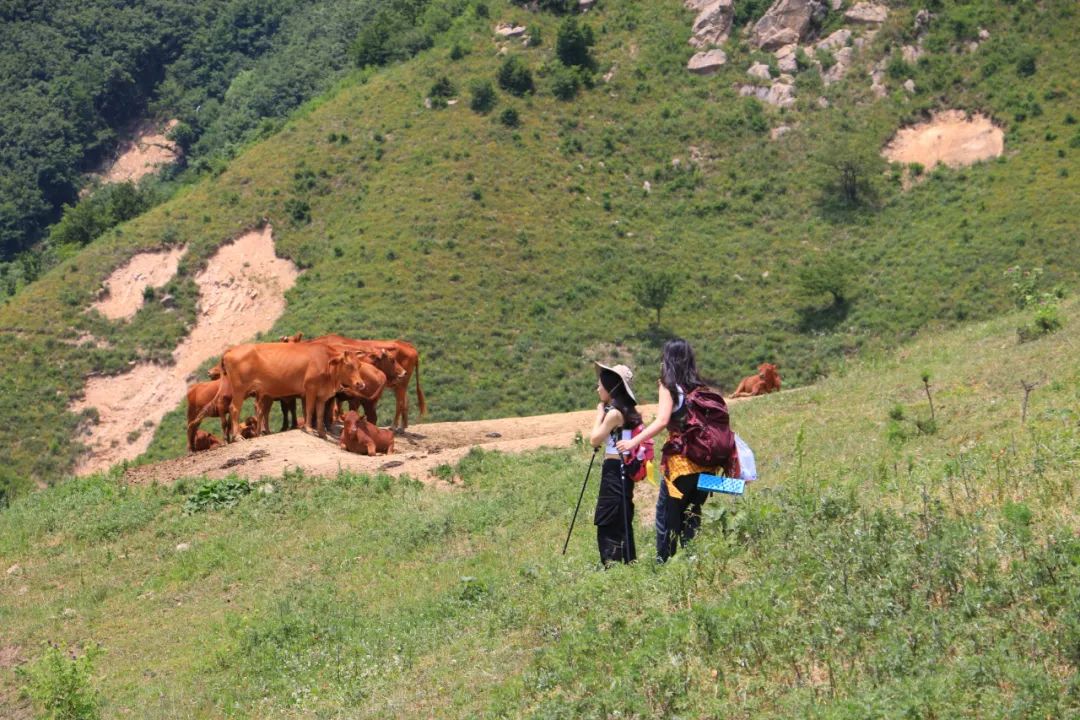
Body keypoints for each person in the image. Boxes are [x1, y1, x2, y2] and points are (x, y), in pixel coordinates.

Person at [617, 338, 719, 562]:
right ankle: (693, 560)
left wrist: (634, 442)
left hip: (681, 466)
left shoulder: (669, 385)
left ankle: (663, 565)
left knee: (667, 515)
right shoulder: (700, 387)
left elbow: (662, 420)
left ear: (668, 359)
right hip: (707, 465)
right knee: (692, 513)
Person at [588, 362, 642, 565]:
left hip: (614, 469)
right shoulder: (628, 409)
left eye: (600, 385)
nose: (597, 389)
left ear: (610, 387)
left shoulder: (613, 413)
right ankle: (627, 559)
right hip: (625, 469)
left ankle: (612, 562)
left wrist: (599, 414)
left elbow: (594, 440)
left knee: (607, 515)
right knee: (622, 514)